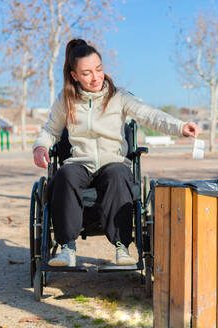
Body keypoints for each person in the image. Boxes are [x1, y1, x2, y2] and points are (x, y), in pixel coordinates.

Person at [33, 39, 200, 267]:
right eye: (87, 73)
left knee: (119, 173)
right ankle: (67, 248)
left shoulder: (118, 96)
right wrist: (40, 147)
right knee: (65, 175)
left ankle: (122, 248)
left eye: (99, 69)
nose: (95, 77)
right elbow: (51, 130)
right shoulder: (66, 100)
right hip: (80, 163)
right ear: (74, 76)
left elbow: (149, 114)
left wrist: (179, 126)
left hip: (111, 162)